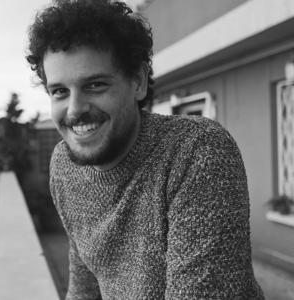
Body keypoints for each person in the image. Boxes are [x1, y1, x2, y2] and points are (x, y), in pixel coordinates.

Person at [26, 0, 265, 299]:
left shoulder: (196, 152)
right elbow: (84, 281)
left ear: (137, 82)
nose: (74, 110)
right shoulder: (64, 165)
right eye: (59, 91)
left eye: (96, 85)